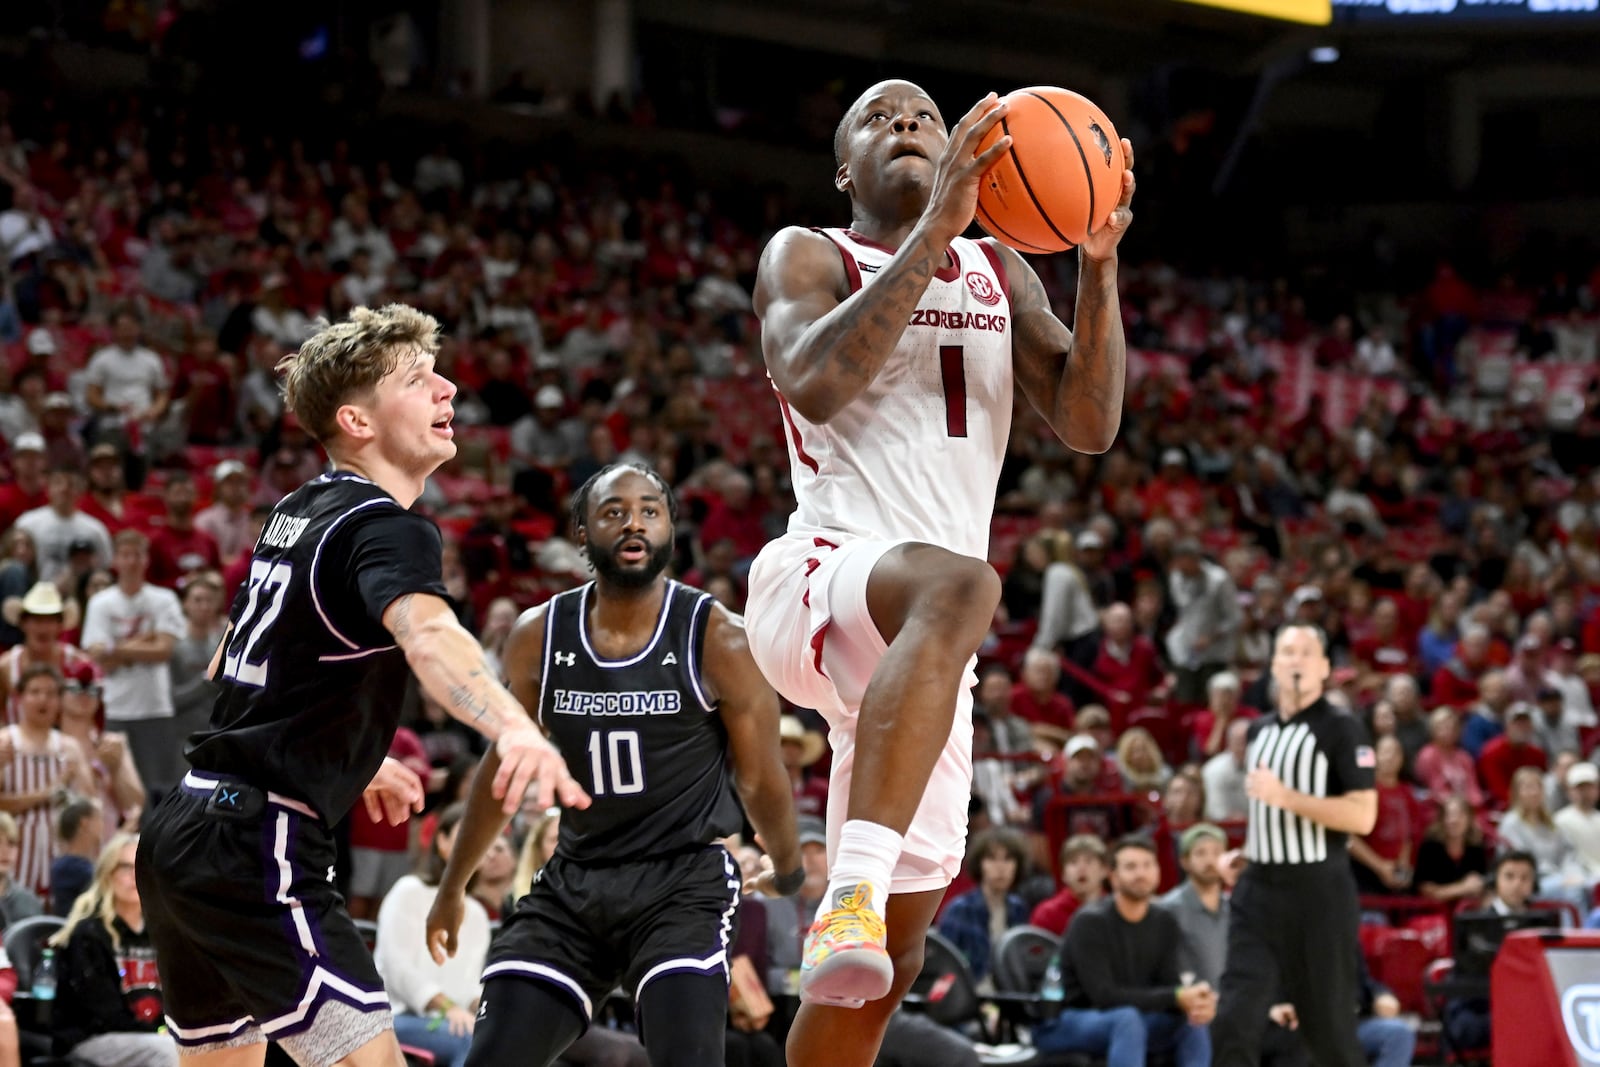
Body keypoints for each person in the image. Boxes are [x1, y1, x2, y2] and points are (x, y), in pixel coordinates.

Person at [744, 81, 1135, 1066]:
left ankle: (860, 917)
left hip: (922, 656)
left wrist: (1095, 263)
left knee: (894, 957)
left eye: (922, 115)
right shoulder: (808, 252)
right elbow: (819, 382)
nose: (908, 126)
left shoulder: (1003, 271)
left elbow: (1089, 424)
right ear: (844, 169)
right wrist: (937, 230)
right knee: (965, 581)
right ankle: (847, 893)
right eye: (880, 119)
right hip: (821, 576)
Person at [134, 304, 587, 1067]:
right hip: (257, 843)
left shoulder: (296, 509)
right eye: (418, 380)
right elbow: (429, 634)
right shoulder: (388, 525)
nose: (448, 390)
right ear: (357, 420)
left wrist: (343, 751)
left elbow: (236, 661)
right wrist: (511, 725)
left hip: (184, 826)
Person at [425, 463, 803, 1067]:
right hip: (575, 880)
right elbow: (503, 772)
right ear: (582, 533)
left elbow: (760, 777)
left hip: (680, 883)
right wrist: (453, 886)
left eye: (650, 510)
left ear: (672, 530)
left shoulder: (719, 638)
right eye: (613, 511)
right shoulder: (537, 635)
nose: (634, 522)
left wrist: (787, 866)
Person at [1211, 624, 1378, 1067]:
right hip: (1259, 890)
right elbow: (1268, 812)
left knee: (1329, 1034)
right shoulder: (1258, 730)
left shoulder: (1344, 728)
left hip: (1318, 892)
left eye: (1308, 652)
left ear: (1324, 668)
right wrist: (1247, 852)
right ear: (1274, 666)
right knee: (1233, 1018)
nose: (1297, 660)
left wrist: (1288, 797)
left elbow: (1363, 815)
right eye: (1287, 651)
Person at [1033, 837, 1212, 1066]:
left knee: (1192, 1020)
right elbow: (1103, 996)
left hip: (1131, 1017)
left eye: (1148, 865)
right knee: (1127, 1020)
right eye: (1131, 867)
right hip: (1067, 1020)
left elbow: (1168, 984)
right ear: (1113, 877)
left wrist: (1193, 1001)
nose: (1141, 874)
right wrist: (1176, 996)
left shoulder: (1164, 921)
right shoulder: (1090, 922)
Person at [50, 833, 176, 1066]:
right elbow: (104, 1015)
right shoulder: (88, 934)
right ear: (108, 874)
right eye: (126, 867)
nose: (134, 876)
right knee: (170, 1052)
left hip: (152, 1038)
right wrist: (161, 1034)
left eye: (141, 867)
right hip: (91, 1039)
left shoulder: (161, 933)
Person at [934, 827, 1030, 983]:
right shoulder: (959, 909)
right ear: (980, 864)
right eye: (992, 859)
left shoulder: (1018, 908)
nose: (1000, 867)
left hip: (1010, 994)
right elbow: (946, 967)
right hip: (972, 995)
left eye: (1008, 859)